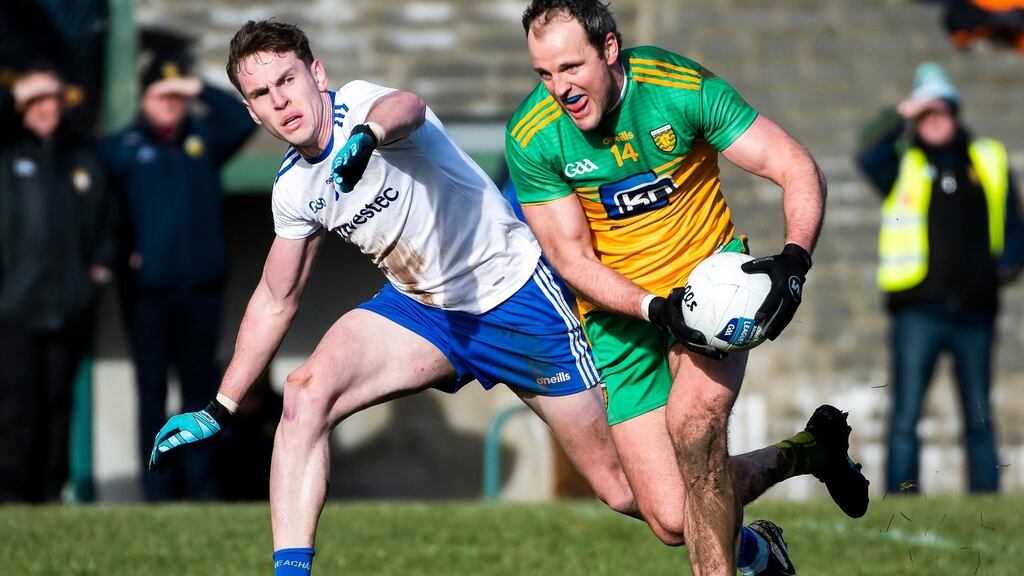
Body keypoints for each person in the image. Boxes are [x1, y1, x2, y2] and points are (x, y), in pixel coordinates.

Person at [149, 20, 861, 576]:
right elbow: (276, 297)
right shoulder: (294, 189)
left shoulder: (362, 107)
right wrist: (221, 405)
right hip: (422, 312)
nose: (282, 102)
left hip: (524, 305)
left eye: (288, 81)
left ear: (318, 75)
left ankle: (795, 473)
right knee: (304, 397)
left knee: (647, 505)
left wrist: (364, 137)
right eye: (263, 95)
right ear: (249, 109)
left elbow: (408, 107)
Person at [506, 2, 869, 574]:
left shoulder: (678, 88)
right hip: (623, 315)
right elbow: (570, 259)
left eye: (571, 67)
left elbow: (795, 166)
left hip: (712, 293)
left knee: (694, 431)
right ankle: (809, 454)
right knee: (673, 517)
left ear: (609, 49)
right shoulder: (533, 137)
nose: (560, 88)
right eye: (544, 74)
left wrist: (794, 262)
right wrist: (652, 308)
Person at [856, 62, 1023, 495]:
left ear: (955, 112)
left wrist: (1008, 263)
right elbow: (867, 151)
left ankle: (987, 500)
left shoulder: (987, 156)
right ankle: (902, 496)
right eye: (925, 113)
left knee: (980, 415)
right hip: (918, 311)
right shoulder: (902, 163)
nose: (935, 120)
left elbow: (1013, 219)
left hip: (975, 312)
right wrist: (902, 113)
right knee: (907, 414)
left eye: (941, 110)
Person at [103, 51, 257, 501]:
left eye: (177, 96)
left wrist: (197, 87)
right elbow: (100, 213)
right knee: (152, 393)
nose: (170, 103)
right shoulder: (123, 148)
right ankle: (157, 490)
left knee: (201, 394)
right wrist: (119, 258)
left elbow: (242, 119)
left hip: (201, 291)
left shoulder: (203, 139)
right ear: (144, 99)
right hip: (147, 295)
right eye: (161, 94)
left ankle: (201, 489)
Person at [0, 64, 115, 503]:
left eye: (53, 101)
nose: (47, 109)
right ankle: (12, 495)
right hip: (16, 306)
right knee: (17, 406)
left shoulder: (82, 157)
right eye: (36, 102)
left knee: (58, 402)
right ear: (21, 108)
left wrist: (100, 267)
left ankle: (51, 493)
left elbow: (108, 219)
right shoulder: (10, 154)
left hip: (68, 305)